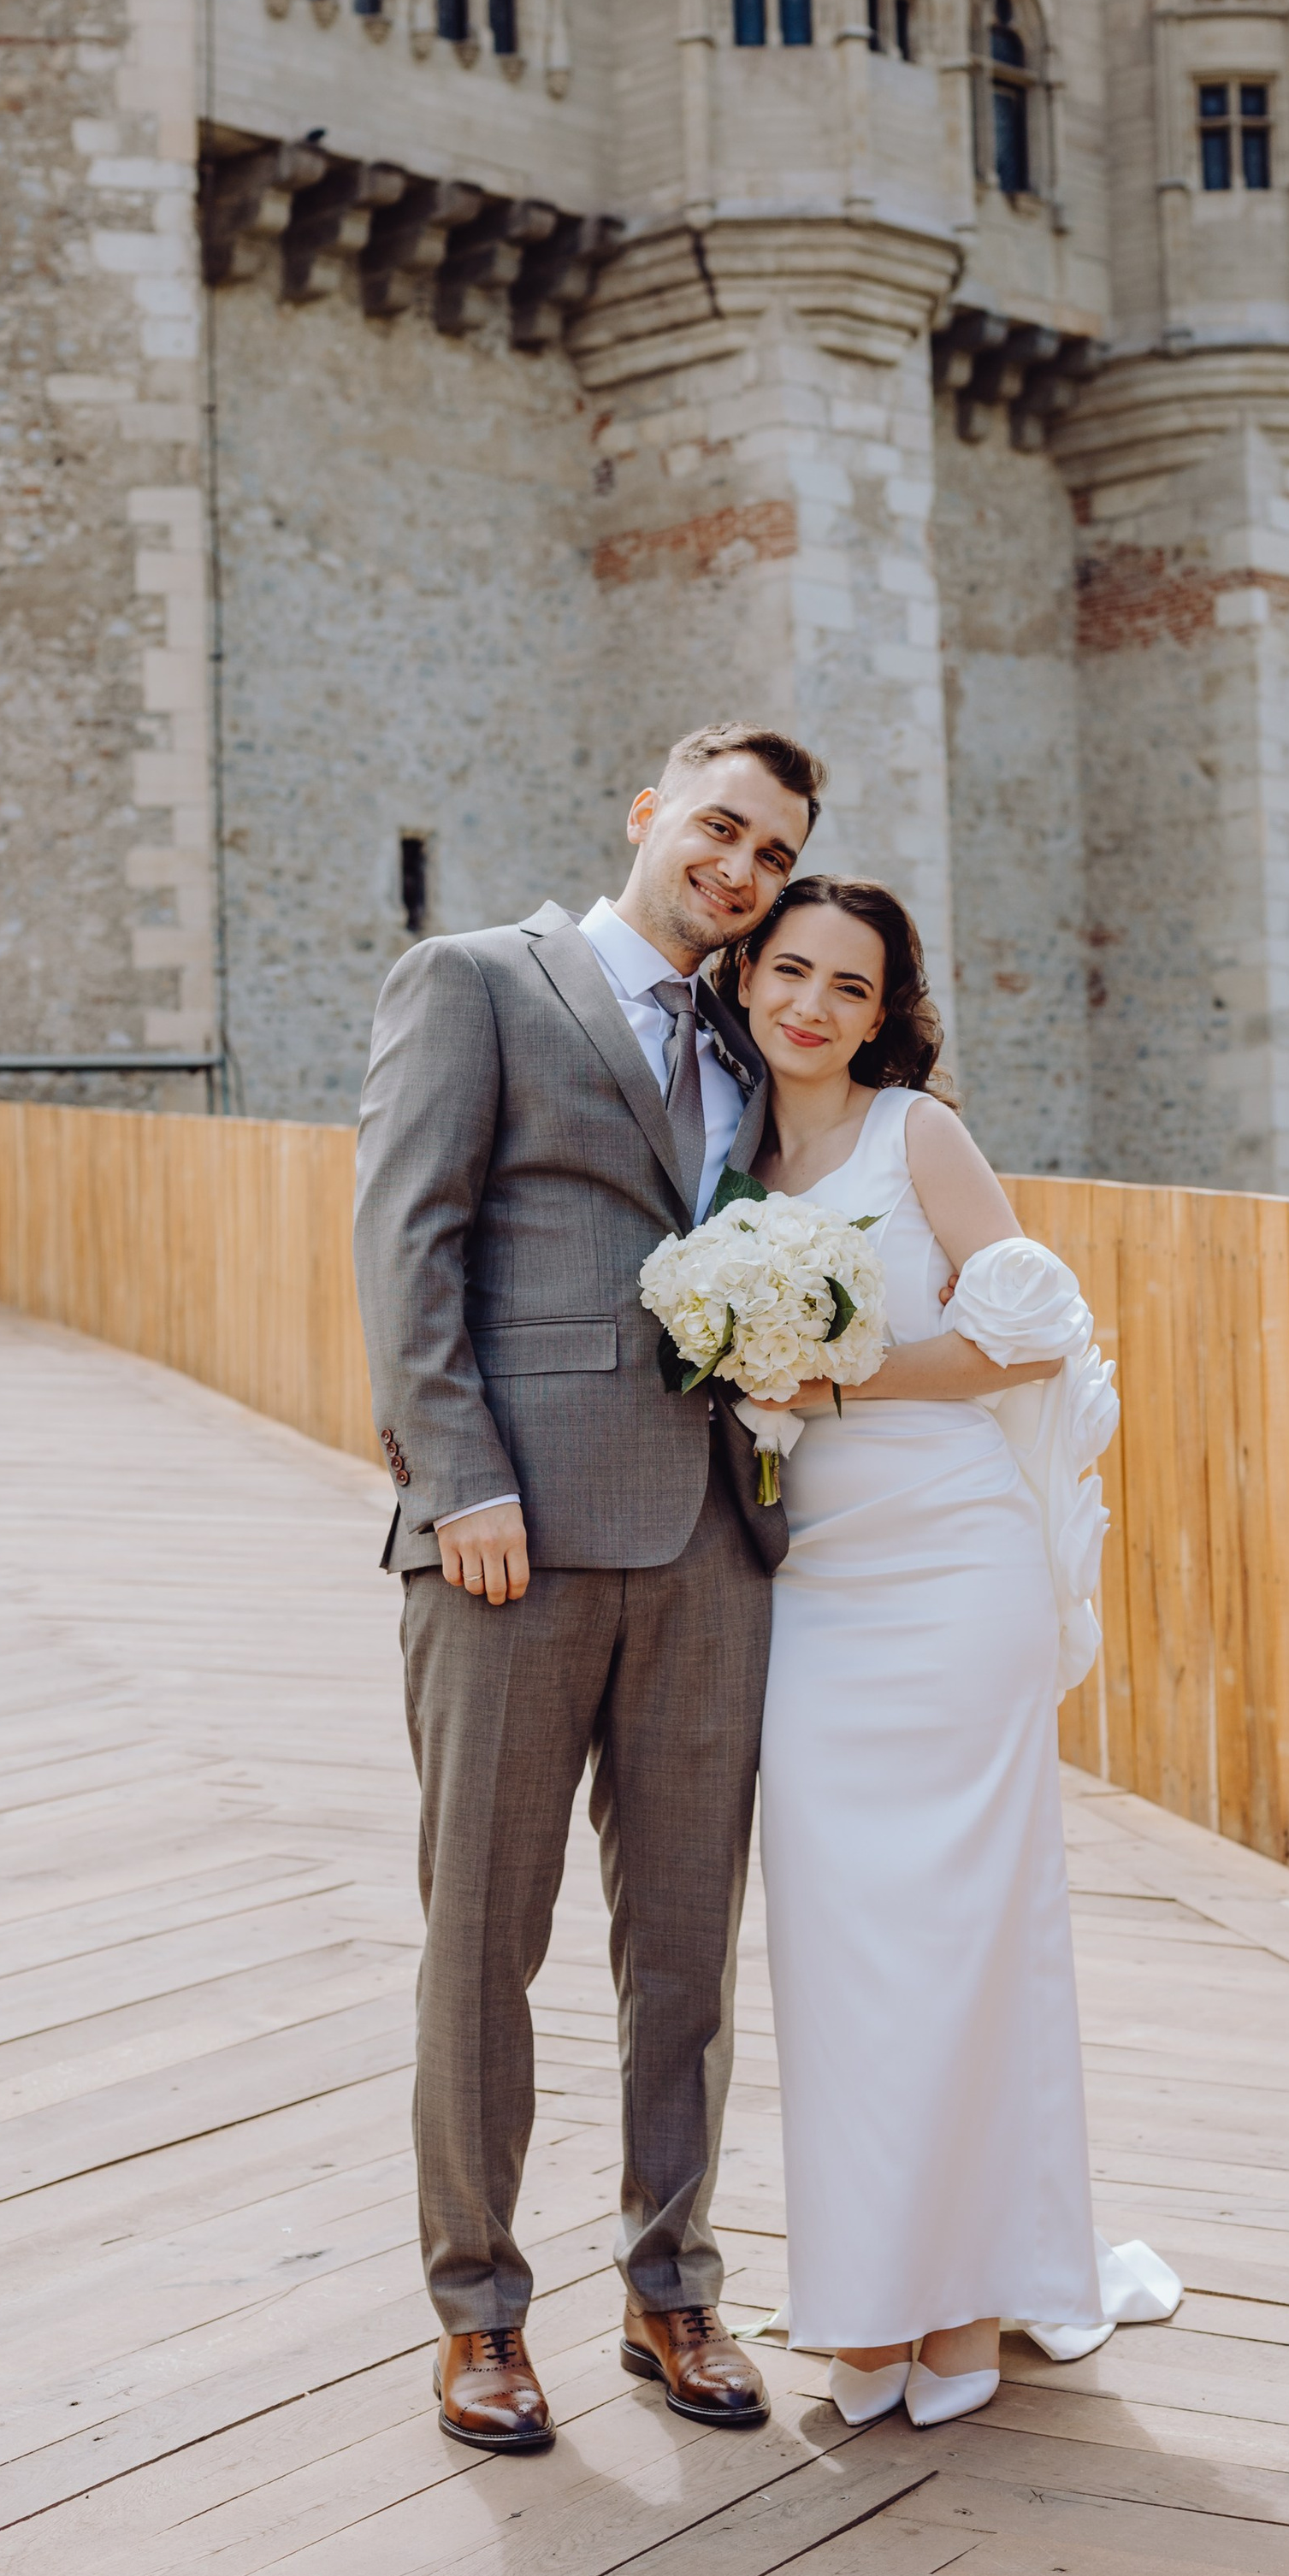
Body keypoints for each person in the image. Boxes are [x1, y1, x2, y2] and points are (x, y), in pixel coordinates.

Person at [352, 721, 823, 2455]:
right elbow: (406, 1240)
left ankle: (670, 2282)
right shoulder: (475, 980)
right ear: (646, 814)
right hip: (511, 1548)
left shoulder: (747, 1033)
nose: (739, 870)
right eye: (720, 829)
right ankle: (476, 2313)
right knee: (483, 1943)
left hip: (711, 1547)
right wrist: (457, 1475)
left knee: (685, 1951)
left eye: (771, 854)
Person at [723, 875, 1176, 2430]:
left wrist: (824, 1379)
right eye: (791, 972)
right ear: (747, 978)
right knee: (843, 1948)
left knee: (975, 1939)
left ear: (884, 1011)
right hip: (816, 1590)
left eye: (850, 988)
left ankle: (971, 2297)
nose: (813, 1008)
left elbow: (1031, 1330)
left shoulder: (916, 1135)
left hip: (951, 1568)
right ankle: (870, 2297)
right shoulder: (715, 1148)